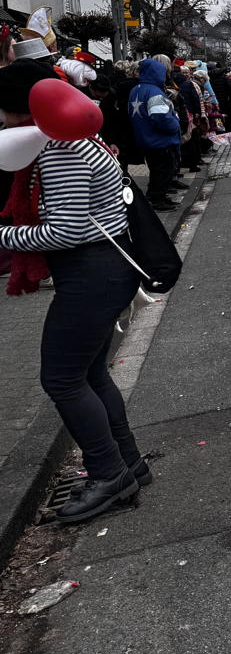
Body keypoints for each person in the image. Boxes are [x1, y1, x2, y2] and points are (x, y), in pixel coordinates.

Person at [0, 61, 151, 523]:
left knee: (62, 379)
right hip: (101, 272)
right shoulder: (67, 138)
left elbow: (66, 231)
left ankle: (109, 475)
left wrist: (3, 237)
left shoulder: (61, 148)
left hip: (92, 274)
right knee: (89, 374)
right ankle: (127, 463)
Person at [129, 58, 183, 211]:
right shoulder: (154, 92)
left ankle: (155, 197)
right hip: (160, 140)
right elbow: (161, 117)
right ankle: (158, 200)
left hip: (146, 139)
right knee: (164, 171)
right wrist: (175, 125)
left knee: (156, 171)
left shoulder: (136, 89)